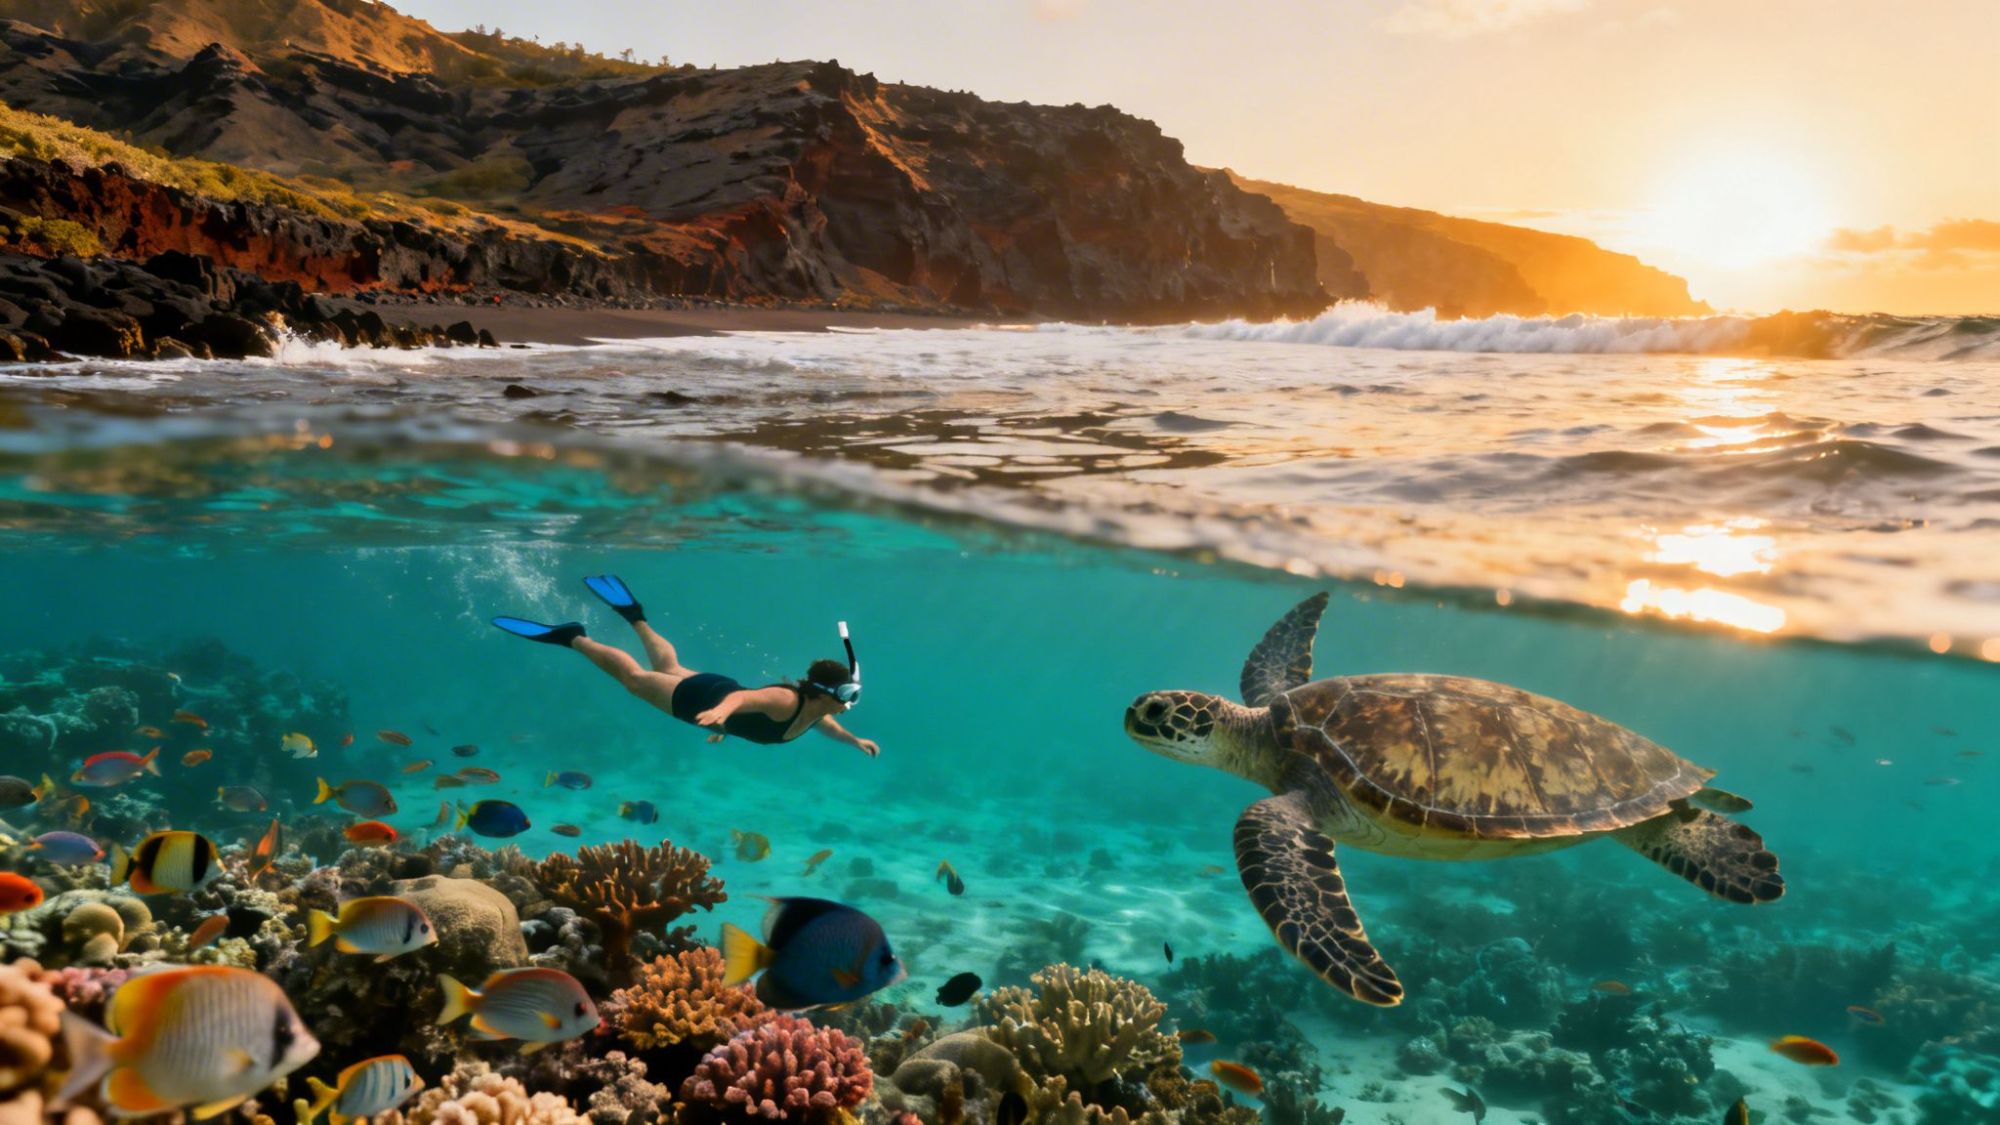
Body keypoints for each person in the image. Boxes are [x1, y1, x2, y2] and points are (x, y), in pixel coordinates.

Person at [494, 575, 879, 757]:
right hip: (701, 701)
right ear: (825, 693)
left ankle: (634, 615)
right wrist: (721, 714)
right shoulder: (785, 701)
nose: (851, 700)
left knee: (668, 664)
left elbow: (824, 725)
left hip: (714, 690)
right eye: (848, 693)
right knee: (635, 679)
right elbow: (744, 699)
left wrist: (855, 741)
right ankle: (574, 637)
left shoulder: (816, 712)